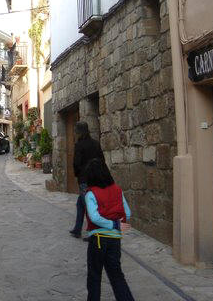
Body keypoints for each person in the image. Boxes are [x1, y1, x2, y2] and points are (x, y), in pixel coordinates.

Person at [84, 158, 134, 301]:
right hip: (114, 240)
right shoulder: (118, 190)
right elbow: (128, 213)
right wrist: (118, 224)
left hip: (98, 239)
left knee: (94, 276)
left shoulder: (90, 194)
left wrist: (113, 224)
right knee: (117, 275)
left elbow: (94, 217)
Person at [70, 121, 105, 239]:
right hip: (96, 178)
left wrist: (78, 175)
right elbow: (102, 160)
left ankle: (94, 233)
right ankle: (77, 229)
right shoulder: (95, 144)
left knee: (89, 206)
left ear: (79, 132)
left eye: (76, 131)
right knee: (80, 204)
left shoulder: (79, 145)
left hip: (85, 179)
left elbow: (76, 163)